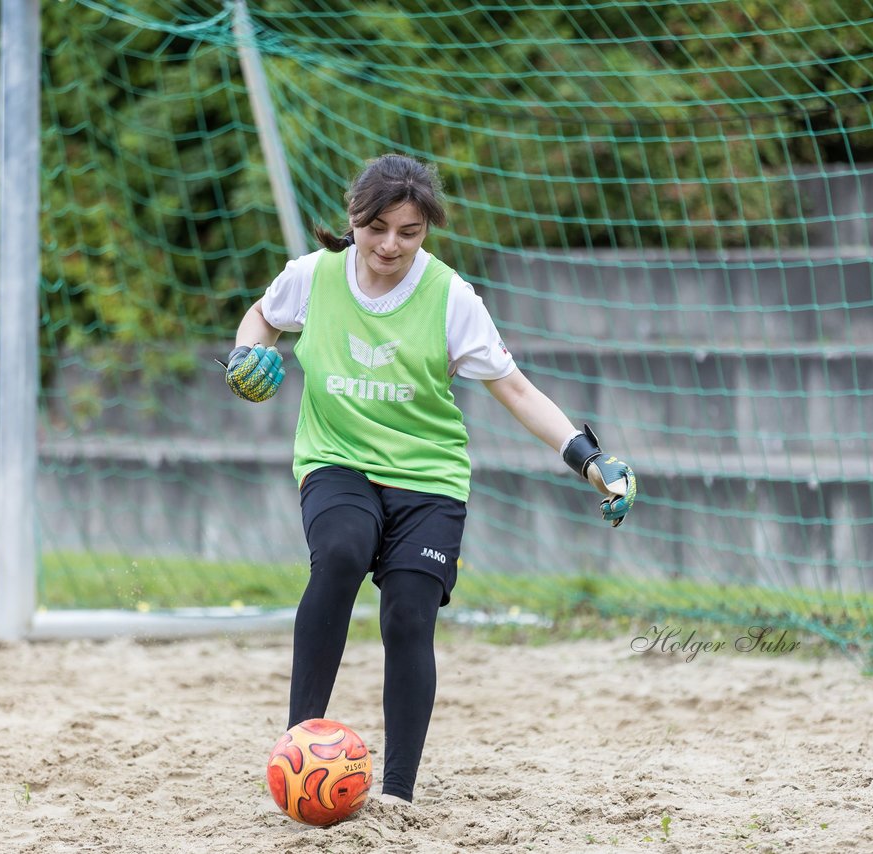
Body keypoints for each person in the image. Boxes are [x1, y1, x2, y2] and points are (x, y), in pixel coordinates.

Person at [223, 153, 636, 805]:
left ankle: (397, 794)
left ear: (426, 231)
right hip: (339, 462)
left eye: (409, 232)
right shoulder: (313, 276)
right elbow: (261, 316)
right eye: (377, 227)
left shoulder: (450, 298)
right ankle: (298, 751)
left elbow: (518, 391)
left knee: (410, 613)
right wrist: (248, 352)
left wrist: (589, 458)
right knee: (340, 552)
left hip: (429, 477)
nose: (390, 245)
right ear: (354, 217)